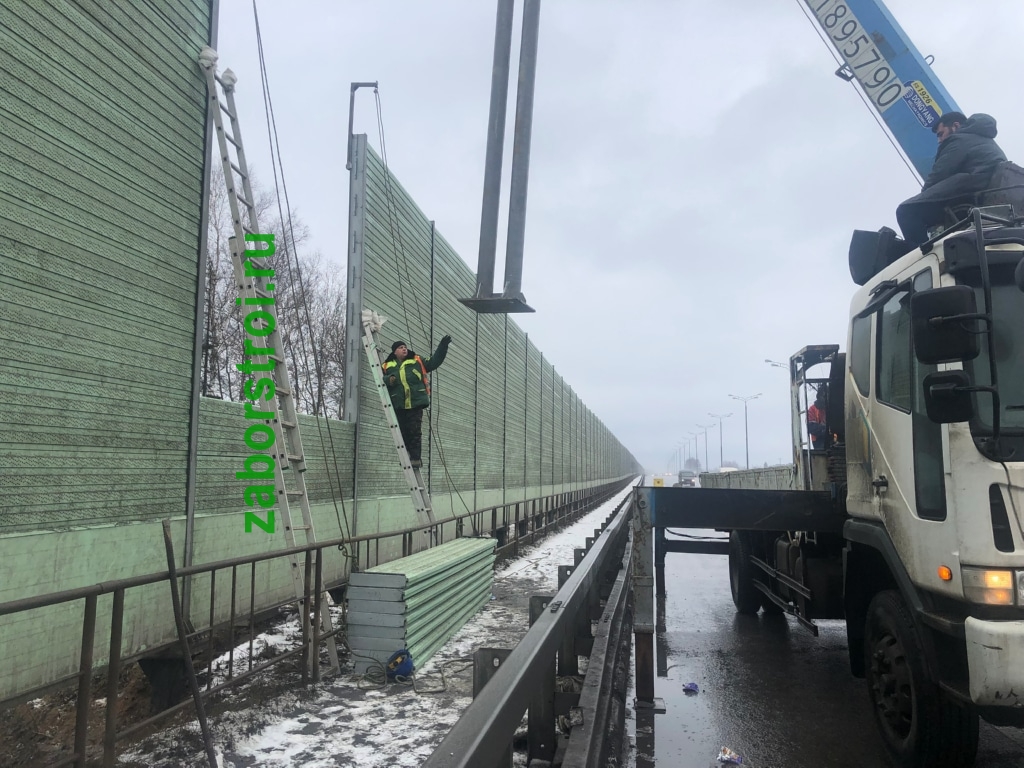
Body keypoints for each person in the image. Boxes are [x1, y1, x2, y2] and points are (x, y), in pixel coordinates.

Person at [895, 112, 1007, 247]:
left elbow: (938, 175)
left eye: (941, 134)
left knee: (907, 211)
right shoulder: (988, 142)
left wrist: (923, 197)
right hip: (984, 194)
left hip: (970, 189)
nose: (939, 140)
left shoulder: (959, 140)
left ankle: (924, 253)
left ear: (955, 126)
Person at [382, 335, 451, 467]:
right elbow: (382, 379)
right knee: (402, 431)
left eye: (405, 347)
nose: (404, 349)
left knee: (414, 431)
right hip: (399, 404)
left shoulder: (416, 360)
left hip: (415, 403)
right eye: (401, 347)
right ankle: (406, 456)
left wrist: (443, 346)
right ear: (395, 351)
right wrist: (388, 379)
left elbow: (434, 362)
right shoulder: (387, 365)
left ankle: (415, 458)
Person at [807, 386, 828, 450]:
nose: (825, 398)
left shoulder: (830, 409)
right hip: (818, 441)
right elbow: (811, 428)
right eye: (823, 396)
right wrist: (825, 429)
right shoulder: (812, 409)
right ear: (819, 396)